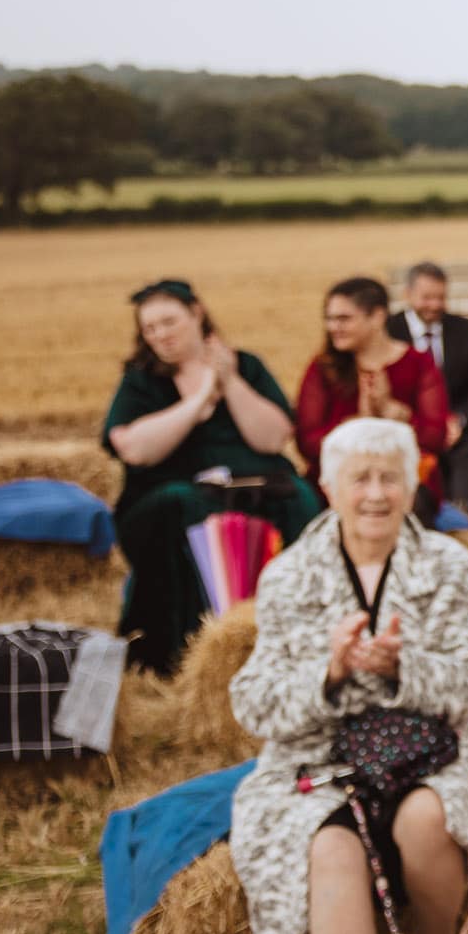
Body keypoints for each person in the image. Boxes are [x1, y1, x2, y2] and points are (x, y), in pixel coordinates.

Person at [228, 418, 468, 934]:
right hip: (319, 757)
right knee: (329, 844)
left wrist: (402, 668)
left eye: (390, 478)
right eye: (360, 479)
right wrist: (329, 671)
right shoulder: (290, 575)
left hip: (430, 750)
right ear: (329, 487)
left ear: (413, 488)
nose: (376, 494)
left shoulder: (447, 564)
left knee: (428, 820)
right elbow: (253, 703)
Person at [102, 279, 321, 673]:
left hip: (255, 485)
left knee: (300, 497)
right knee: (185, 505)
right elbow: (133, 447)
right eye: (149, 329)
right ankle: (196, 650)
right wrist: (198, 400)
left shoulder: (246, 365)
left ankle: (303, 634)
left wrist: (229, 380)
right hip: (171, 494)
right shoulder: (141, 380)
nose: (160, 336)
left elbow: (272, 437)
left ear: (197, 313)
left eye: (168, 322)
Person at [296, 277, 450, 524]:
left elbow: (436, 437)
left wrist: (394, 414)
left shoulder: (419, 364)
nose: (333, 327)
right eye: (329, 318)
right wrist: (358, 425)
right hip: (335, 482)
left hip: (402, 480)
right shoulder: (323, 368)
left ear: (377, 317)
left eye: (344, 318)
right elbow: (306, 441)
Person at [384, 263, 468, 511]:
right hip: (404, 428)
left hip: (457, 429)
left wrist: (460, 418)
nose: (435, 305)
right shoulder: (388, 331)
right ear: (408, 294)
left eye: (440, 297)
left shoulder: (467, 331)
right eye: (427, 298)